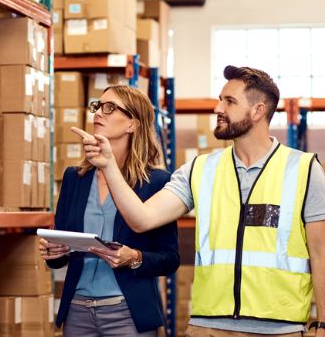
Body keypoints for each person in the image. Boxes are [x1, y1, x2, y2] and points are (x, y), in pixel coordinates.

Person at [73, 66, 325, 336]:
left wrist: (323, 323)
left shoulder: (304, 170)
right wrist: (109, 165)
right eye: (219, 99)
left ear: (257, 110)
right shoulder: (199, 169)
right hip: (208, 325)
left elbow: (320, 253)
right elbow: (142, 219)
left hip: (280, 328)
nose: (218, 108)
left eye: (229, 101)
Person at [39, 85, 180, 336]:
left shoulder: (156, 182)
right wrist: (54, 251)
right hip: (77, 311)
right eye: (97, 106)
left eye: (110, 108)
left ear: (132, 124)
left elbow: (169, 258)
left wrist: (134, 257)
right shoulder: (75, 178)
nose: (98, 114)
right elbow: (62, 250)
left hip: (128, 313)